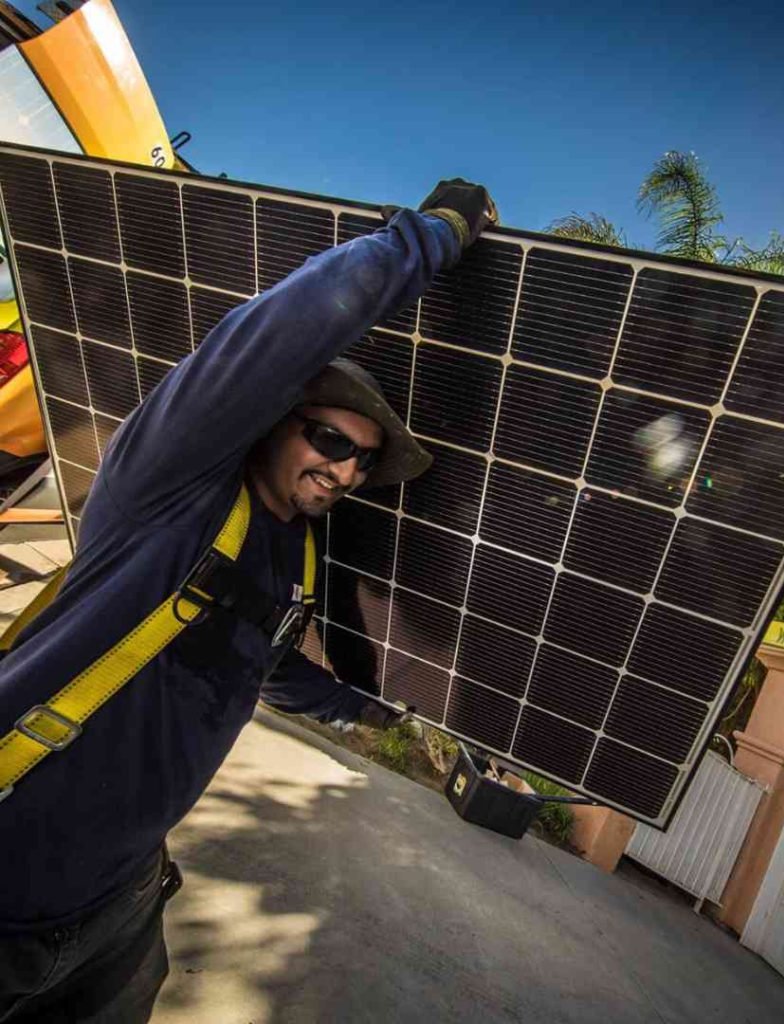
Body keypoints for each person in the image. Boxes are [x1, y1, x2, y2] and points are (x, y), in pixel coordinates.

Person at [0, 177, 497, 1022]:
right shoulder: (170, 484)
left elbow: (256, 667)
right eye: (329, 438)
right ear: (274, 419)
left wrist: (369, 708)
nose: (342, 469)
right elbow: (272, 334)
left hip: (120, 904)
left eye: (362, 462)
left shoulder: (293, 554)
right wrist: (432, 236)